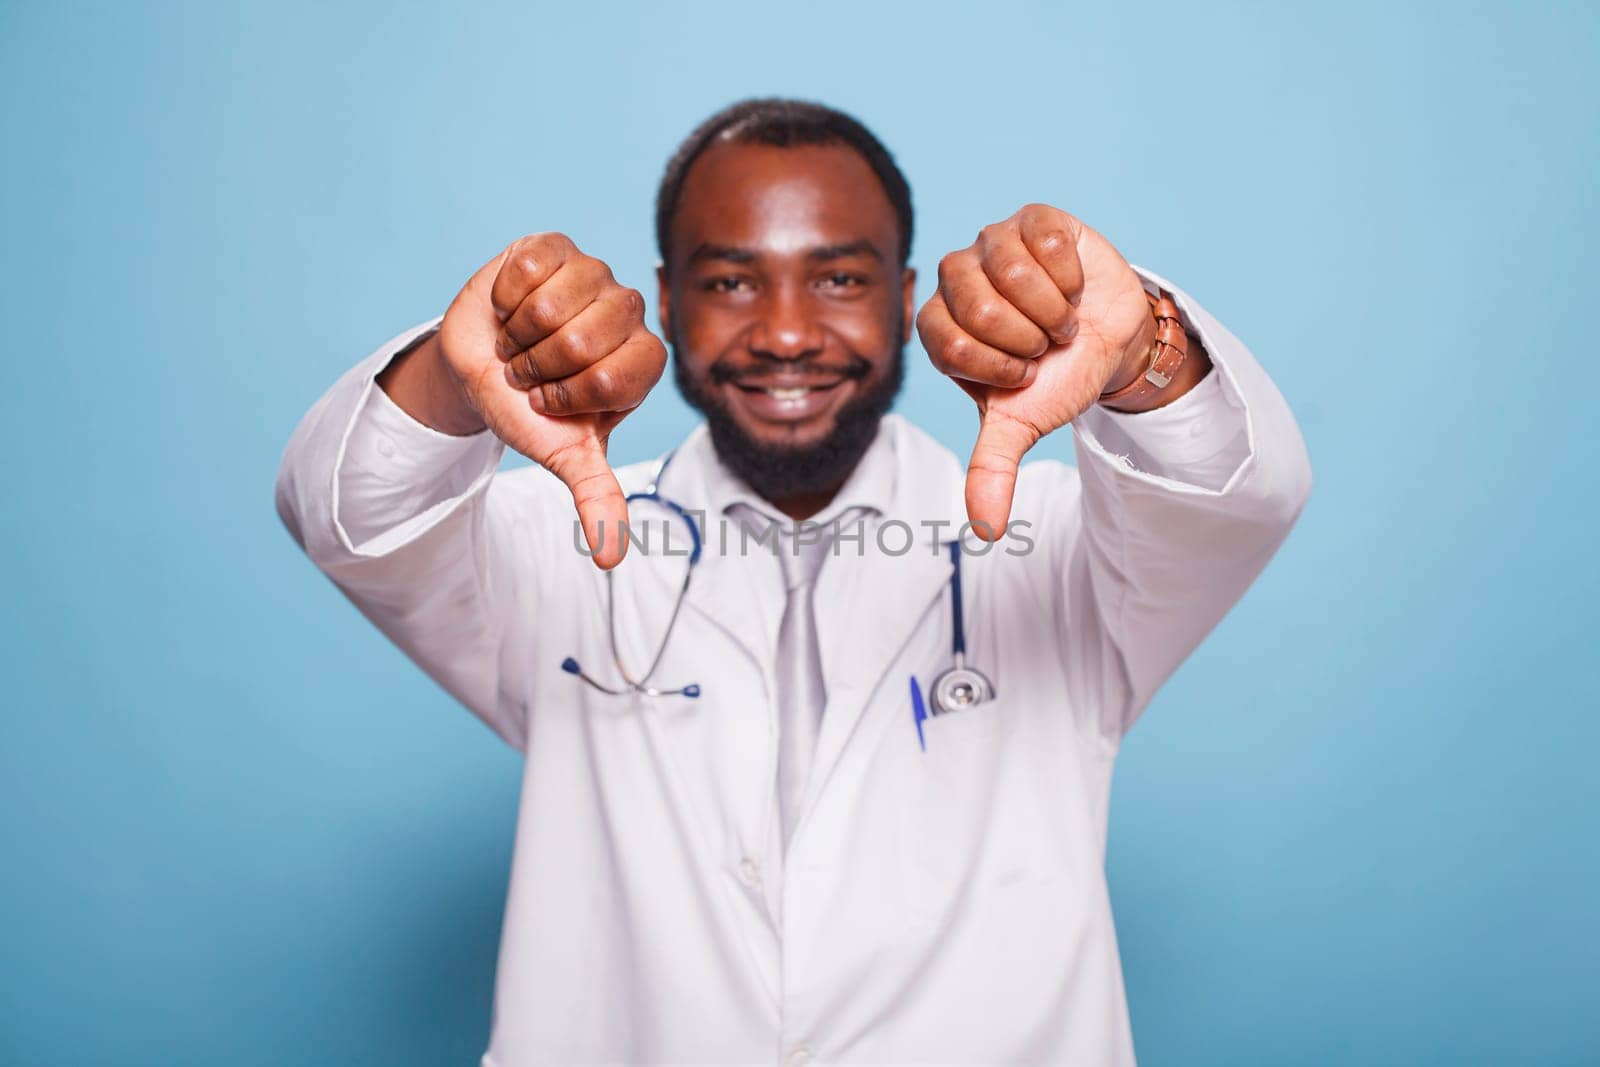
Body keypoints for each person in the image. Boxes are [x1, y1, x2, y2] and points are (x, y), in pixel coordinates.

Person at [275, 98, 1312, 1066]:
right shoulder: (556, 546)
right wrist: (459, 382)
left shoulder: (1053, 547)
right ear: (668, 302)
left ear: (905, 301)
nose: (782, 331)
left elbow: (1232, 490)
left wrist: (1142, 354)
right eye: (730, 280)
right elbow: (352, 510)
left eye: (839, 278)